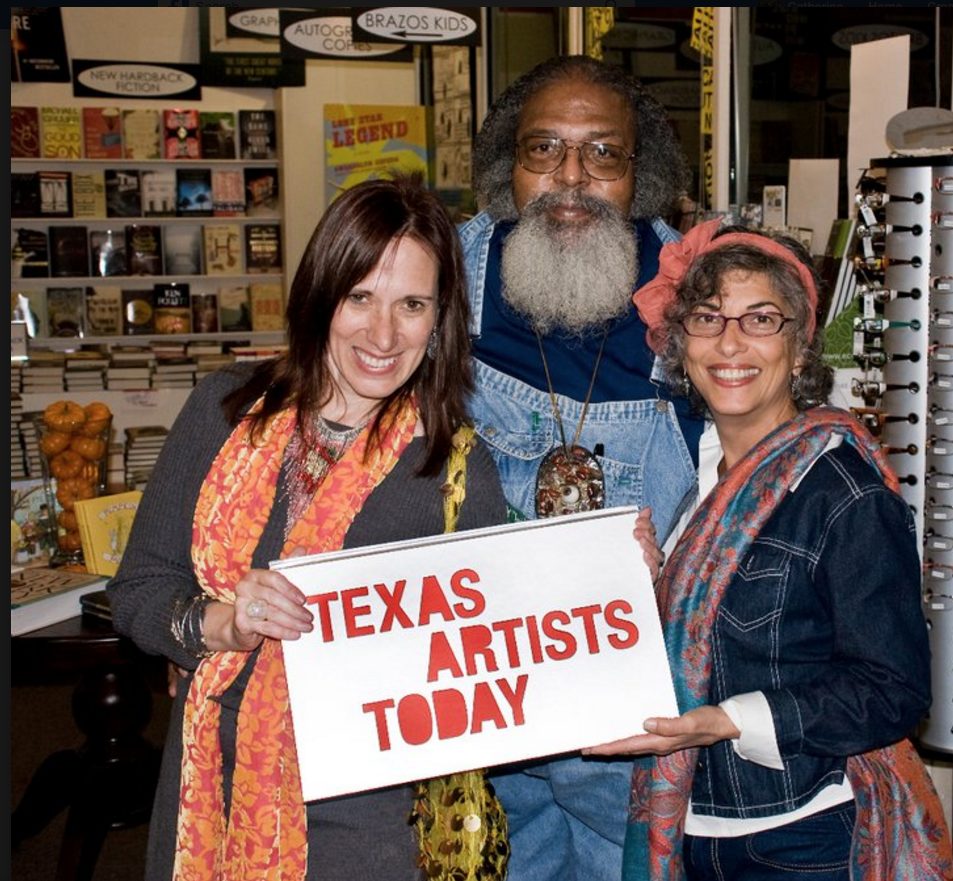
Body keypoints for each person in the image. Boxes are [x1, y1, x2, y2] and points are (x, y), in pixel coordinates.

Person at [106, 174, 510, 881]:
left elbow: (488, 651)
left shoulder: (453, 471)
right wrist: (218, 624)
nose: (383, 335)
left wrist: (607, 571)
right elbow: (139, 586)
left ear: (439, 317)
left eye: (411, 304)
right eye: (360, 297)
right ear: (321, 292)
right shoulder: (224, 411)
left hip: (369, 820)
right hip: (211, 789)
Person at [588, 219, 953, 880]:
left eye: (760, 318)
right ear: (680, 339)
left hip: (801, 839)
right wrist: (638, 585)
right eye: (707, 317)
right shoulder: (688, 478)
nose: (730, 343)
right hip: (693, 832)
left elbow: (892, 691)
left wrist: (728, 721)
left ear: (799, 339)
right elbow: (701, 639)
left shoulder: (842, 493)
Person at [460, 53, 705, 879]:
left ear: (642, 175)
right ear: (507, 167)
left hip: (628, 711)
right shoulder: (439, 279)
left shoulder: (701, 293)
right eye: (543, 150)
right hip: (473, 697)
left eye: (603, 153)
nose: (571, 177)